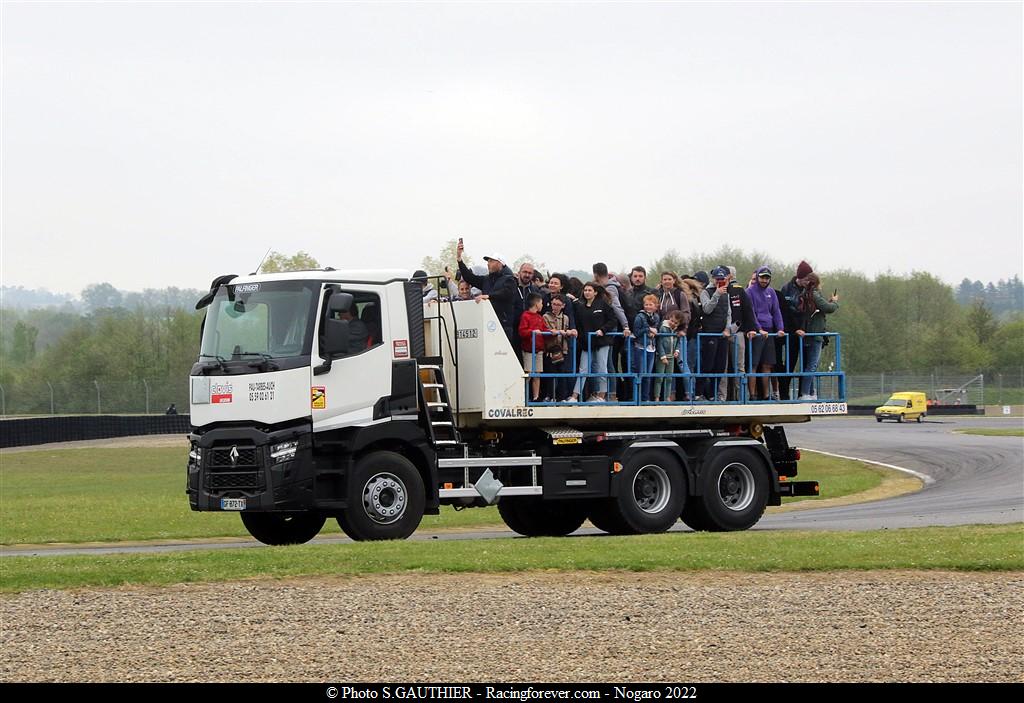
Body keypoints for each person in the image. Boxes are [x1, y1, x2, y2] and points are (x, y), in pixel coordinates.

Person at [456, 240, 518, 348]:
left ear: (499, 263)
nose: (488, 263)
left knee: (503, 354)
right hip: (488, 325)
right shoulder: (486, 279)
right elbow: (469, 277)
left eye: (491, 261)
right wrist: (459, 259)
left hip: (503, 325)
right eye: (488, 261)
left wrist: (489, 296)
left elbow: (507, 293)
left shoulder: (509, 279)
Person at [566, 283, 617, 402]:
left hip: (602, 342)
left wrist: (603, 330)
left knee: (602, 368)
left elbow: (613, 320)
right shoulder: (580, 307)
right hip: (586, 343)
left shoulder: (603, 305)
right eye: (585, 290)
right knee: (583, 369)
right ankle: (574, 396)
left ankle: (601, 396)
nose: (587, 292)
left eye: (590, 290)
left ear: (595, 292)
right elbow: (578, 324)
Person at [796, 272, 840, 400]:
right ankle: (805, 394)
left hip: (806, 334)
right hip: (815, 334)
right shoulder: (814, 294)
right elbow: (828, 308)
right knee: (812, 365)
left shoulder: (805, 294)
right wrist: (835, 303)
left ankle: (809, 393)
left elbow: (820, 307)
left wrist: (828, 302)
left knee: (807, 365)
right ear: (816, 283)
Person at [746, 266, 786, 400]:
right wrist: (758, 329)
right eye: (762, 277)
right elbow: (750, 313)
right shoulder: (749, 291)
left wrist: (780, 328)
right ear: (757, 277)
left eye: (767, 278)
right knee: (753, 364)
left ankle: (767, 394)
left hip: (769, 332)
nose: (764, 280)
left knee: (768, 364)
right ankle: (752, 394)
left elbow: (776, 311)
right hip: (757, 332)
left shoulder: (771, 292)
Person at [778, 261, 812, 399]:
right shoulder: (786, 289)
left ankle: (802, 394)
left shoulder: (809, 290)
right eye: (806, 279)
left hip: (805, 333)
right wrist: (795, 329)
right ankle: (784, 394)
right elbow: (785, 313)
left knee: (806, 364)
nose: (807, 282)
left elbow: (808, 312)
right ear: (799, 277)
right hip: (791, 333)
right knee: (789, 365)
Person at [700, 267, 731, 400]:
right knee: (707, 365)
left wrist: (727, 329)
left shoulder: (727, 294)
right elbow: (707, 309)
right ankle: (699, 393)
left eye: (722, 279)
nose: (720, 281)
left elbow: (728, 313)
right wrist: (717, 294)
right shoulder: (705, 292)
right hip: (709, 333)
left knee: (720, 367)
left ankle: (713, 394)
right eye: (717, 279)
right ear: (713, 279)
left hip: (722, 335)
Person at [542, 293, 577, 401]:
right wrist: (562, 332)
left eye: (558, 304)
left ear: (563, 306)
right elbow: (548, 330)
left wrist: (569, 332)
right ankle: (549, 395)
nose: (555, 306)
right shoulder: (546, 316)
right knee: (551, 374)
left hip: (563, 350)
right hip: (551, 350)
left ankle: (561, 397)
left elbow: (568, 331)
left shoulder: (565, 318)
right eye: (553, 304)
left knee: (562, 375)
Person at [518, 293, 550, 402]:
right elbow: (522, 332)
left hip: (539, 350)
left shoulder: (540, 317)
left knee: (537, 374)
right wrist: (532, 332)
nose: (542, 305)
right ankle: (524, 396)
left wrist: (554, 332)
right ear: (536, 304)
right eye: (541, 303)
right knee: (529, 373)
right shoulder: (525, 316)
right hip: (528, 350)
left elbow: (545, 330)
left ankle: (536, 397)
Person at [631, 294, 661, 402]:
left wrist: (654, 332)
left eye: (650, 304)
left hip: (651, 347)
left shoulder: (656, 317)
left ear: (655, 306)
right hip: (640, 347)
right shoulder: (640, 316)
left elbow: (657, 328)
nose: (648, 306)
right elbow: (636, 332)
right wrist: (648, 330)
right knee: (641, 373)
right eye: (646, 304)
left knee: (648, 375)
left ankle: (646, 398)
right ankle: (637, 398)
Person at [652, 310, 685, 402]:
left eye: (676, 323)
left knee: (669, 378)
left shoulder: (677, 330)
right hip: (661, 357)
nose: (673, 323)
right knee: (659, 377)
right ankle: (657, 397)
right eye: (672, 320)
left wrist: (677, 351)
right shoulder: (663, 327)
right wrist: (663, 356)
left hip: (671, 357)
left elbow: (678, 342)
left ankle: (667, 397)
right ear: (669, 318)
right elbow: (659, 343)